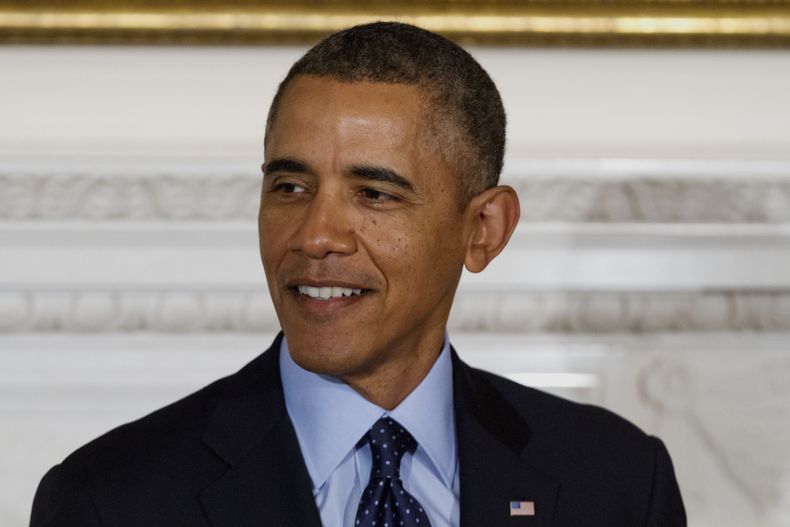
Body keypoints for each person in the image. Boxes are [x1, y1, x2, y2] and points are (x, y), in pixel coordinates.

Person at [30, 22, 686, 527]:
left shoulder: (618, 481)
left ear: (482, 229)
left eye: (374, 194)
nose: (314, 234)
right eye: (289, 186)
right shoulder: (108, 496)